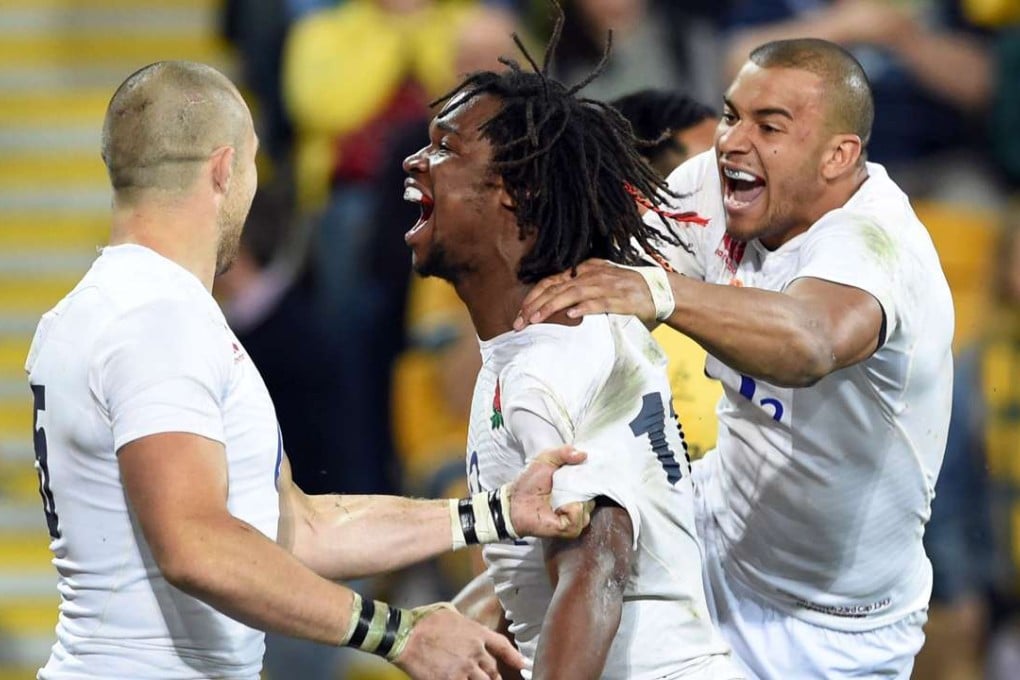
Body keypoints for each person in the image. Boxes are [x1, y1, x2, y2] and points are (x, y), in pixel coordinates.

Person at [23, 60, 594, 680]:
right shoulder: (159, 319)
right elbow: (194, 541)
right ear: (223, 169)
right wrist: (397, 632)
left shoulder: (92, 313)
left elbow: (297, 528)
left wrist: (495, 512)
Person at [517, 38, 954, 678]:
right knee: (565, 525)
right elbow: (600, 268)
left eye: (769, 126)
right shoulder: (712, 191)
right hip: (713, 536)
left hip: (834, 631)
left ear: (840, 156)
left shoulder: (878, 246)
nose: (732, 141)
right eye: (731, 116)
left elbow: (811, 343)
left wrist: (658, 292)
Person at [401, 20, 742, 680]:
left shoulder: (553, 357)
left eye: (444, 148)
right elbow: (540, 571)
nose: (415, 161)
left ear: (515, 189)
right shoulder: (537, 341)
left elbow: (600, 558)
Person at [610, 87, 722, 459]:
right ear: (636, 185)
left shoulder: (763, 285)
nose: (730, 190)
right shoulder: (589, 317)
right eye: (703, 173)